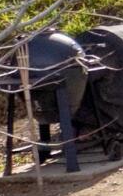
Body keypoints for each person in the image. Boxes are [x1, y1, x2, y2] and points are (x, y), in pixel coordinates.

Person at [24, 30, 87, 173]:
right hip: (60, 81)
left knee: (47, 109)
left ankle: (48, 149)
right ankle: (67, 155)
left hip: (42, 82)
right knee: (59, 109)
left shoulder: (32, 45)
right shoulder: (64, 45)